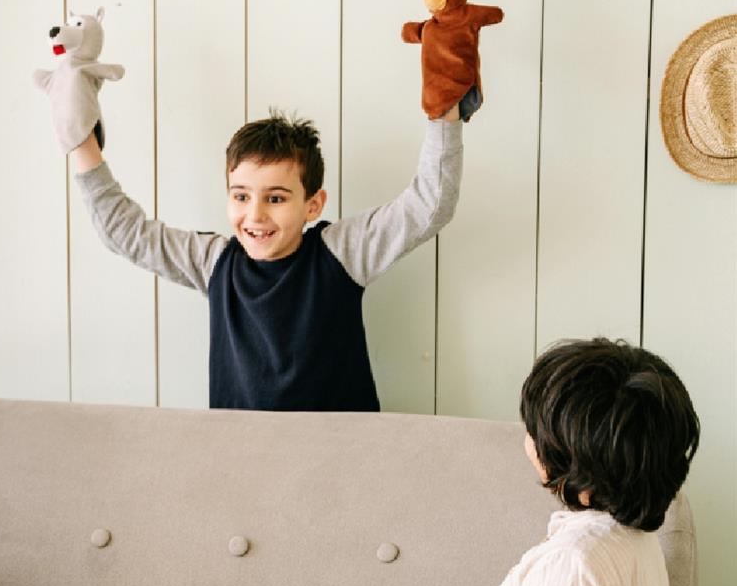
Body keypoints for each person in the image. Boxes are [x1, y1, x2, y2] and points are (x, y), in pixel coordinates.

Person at [128, 338, 701, 586]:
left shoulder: (575, 564)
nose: (525, 436)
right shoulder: (636, 543)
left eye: (534, 430)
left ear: (569, 466)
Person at [50, 87, 464, 411]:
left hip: (343, 459)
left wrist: (444, 109)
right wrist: (81, 140)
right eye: (241, 196)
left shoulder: (342, 253)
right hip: (242, 458)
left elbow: (429, 204)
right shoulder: (213, 262)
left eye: (277, 198)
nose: (256, 216)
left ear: (313, 205)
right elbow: (126, 232)